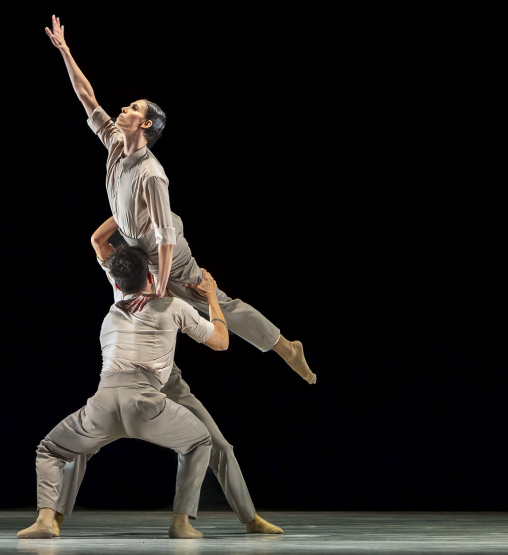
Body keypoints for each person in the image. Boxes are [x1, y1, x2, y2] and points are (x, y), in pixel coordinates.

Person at [44, 15, 316, 383]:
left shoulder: (152, 174)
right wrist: (66, 51)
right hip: (139, 233)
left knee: (210, 301)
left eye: (133, 109)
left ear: (144, 126)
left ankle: (284, 345)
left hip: (162, 246)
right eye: (127, 106)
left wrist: (160, 282)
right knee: (135, 282)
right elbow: (86, 97)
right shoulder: (113, 142)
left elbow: (165, 237)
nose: (123, 109)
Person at [44, 218, 287, 538]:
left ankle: (250, 518)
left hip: (164, 376)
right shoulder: (125, 277)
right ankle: (56, 520)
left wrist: (130, 209)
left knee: (219, 445)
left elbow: (98, 241)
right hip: (129, 374)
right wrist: (128, 209)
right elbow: (221, 340)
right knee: (83, 445)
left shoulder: (130, 278)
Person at [17, 245, 229, 540]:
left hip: (102, 404)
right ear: (152, 279)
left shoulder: (112, 313)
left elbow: (97, 241)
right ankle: (181, 522)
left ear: (117, 284)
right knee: (199, 441)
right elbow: (221, 342)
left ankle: (46, 520)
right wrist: (211, 298)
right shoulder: (171, 306)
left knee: (51, 449)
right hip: (145, 401)